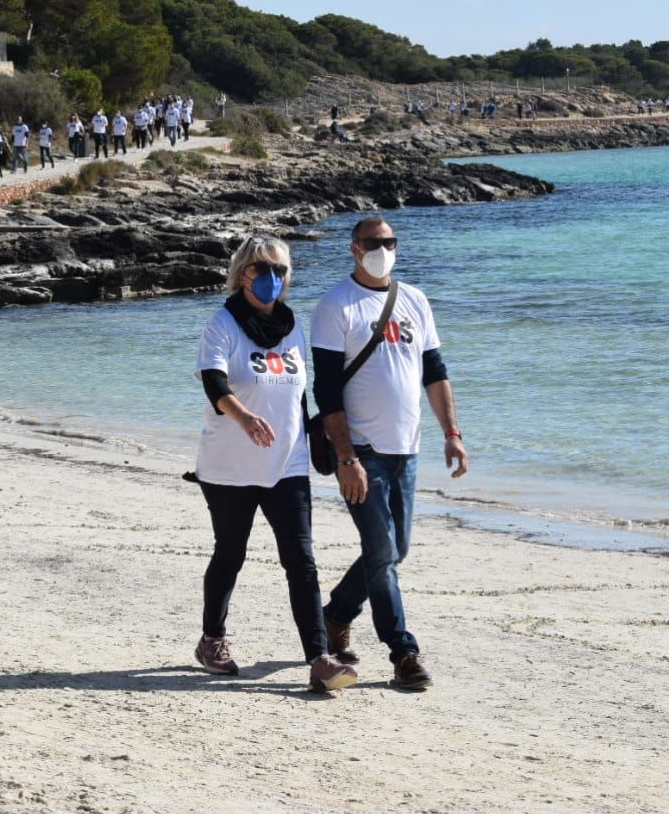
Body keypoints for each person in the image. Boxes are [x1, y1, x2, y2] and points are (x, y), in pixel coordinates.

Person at [191, 235, 359, 694]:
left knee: (301, 561)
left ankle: (319, 657)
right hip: (229, 466)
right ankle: (212, 640)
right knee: (231, 554)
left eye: (279, 270)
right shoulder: (222, 324)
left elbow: (299, 391)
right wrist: (244, 418)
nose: (271, 278)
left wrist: (319, 436)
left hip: (288, 463)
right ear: (241, 273)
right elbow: (212, 380)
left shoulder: (292, 326)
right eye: (260, 269)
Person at [311, 216, 469, 692]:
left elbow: (434, 371)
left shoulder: (415, 301)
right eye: (374, 242)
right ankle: (403, 652)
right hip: (362, 450)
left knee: (396, 549)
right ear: (354, 249)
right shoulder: (335, 305)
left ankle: (336, 613)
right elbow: (327, 388)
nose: (383, 248)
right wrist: (345, 458)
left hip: (409, 449)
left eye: (390, 242)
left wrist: (452, 433)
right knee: (381, 554)